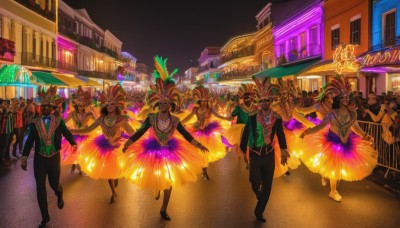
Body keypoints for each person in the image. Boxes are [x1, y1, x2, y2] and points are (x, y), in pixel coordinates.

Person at [122, 56, 208, 221]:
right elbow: (140, 132)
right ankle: (157, 188)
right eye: (160, 103)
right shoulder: (151, 118)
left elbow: (186, 134)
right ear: (157, 104)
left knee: (168, 180)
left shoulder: (175, 120)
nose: (163, 106)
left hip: (171, 151)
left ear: (171, 105)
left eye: (166, 103)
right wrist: (128, 143)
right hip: (152, 150)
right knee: (156, 178)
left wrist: (198, 145)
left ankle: (163, 208)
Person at [300, 75, 377, 202]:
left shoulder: (353, 113)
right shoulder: (332, 113)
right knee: (334, 168)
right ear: (338, 99)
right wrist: (306, 132)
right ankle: (333, 191)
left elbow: (356, 128)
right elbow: (320, 126)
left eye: (347, 97)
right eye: (343, 97)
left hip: (346, 143)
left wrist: (365, 135)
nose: (345, 99)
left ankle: (328, 180)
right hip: (332, 143)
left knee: (338, 168)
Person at [20, 86, 77, 228]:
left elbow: (66, 132)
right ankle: (45, 216)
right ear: (40, 107)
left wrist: (73, 143)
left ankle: (59, 192)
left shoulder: (58, 121)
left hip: (53, 157)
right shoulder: (35, 123)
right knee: (40, 187)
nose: (45, 108)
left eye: (47, 106)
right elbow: (29, 141)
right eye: (43, 106)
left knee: (53, 184)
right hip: (39, 159)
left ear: (51, 108)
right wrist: (24, 157)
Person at [71, 83, 135, 204]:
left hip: (118, 146)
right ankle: (113, 192)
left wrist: (138, 138)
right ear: (104, 105)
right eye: (108, 104)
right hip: (104, 147)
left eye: (112, 104)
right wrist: (75, 130)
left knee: (115, 170)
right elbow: (89, 129)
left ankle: (116, 178)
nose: (110, 106)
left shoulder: (121, 119)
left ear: (116, 105)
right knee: (108, 172)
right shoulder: (101, 118)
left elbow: (132, 131)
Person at [241, 76, 289, 222]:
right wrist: (244, 151)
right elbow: (246, 132)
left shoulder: (277, 117)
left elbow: (280, 135)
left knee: (268, 185)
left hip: (269, 154)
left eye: (267, 100)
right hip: (255, 153)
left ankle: (259, 211)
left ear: (271, 101)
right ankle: (259, 195)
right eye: (261, 100)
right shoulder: (253, 116)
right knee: (254, 180)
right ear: (258, 102)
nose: (264, 103)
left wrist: (284, 151)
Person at [181, 85, 231, 180]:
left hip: (208, 133)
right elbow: (190, 117)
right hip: (197, 131)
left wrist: (226, 118)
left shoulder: (210, 110)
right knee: (198, 152)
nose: (203, 103)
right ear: (199, 101)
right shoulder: (195, 109)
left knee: (206, 153)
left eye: (205, 101)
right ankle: (202, 169)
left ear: (207, 101)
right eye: (202, 101)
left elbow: (218, 116)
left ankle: (205, 171)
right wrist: (180, 123)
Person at [62, 86, 95, 175]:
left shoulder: (89, 114)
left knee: (83, 153)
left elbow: (98, 122)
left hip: (85, 135)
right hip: (75, 135)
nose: (81, 107)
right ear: (76, 105)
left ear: (85, 105)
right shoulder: (72, 114)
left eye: (83, 105)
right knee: (75, 151)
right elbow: (64, 122)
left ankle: (80, 166)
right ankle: (76, 164)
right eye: (79, 105)